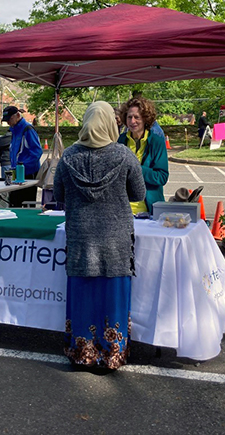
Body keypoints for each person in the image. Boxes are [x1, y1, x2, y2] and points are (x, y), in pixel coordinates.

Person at [53, 101, 146, 371]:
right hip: (115, 241)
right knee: (113, 298)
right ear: (109, 123)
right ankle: (111, 354)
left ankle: (83, 353)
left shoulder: (69, 156)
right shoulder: (124, 155)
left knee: (83, 296)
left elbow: (58, 196)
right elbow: (138, 194)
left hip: (82, 239)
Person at [118, 97, 169, 215]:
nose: (132, 121)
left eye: (137, 117)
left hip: (149, 210)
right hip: (123, 210)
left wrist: (136, 169)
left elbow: (162, 177)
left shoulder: (156, 141)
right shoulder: (121, 141)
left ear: (145, 119)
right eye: (129, 117)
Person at [1, 105, 43, 207]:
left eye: (10, 119)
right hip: (17, 174)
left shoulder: (27, 130)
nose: (8, 123)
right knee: (14, 203)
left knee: (26, 205)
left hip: (27, 174)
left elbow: (37, 152)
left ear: (18, 115)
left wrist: (22, 167)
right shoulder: (15, 130)